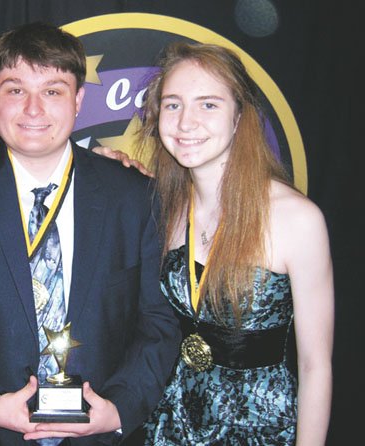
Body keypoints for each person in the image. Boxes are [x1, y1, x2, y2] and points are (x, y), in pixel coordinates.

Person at [0, 22, 181, 446]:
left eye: (52, 90)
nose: (33, 109)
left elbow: (160, 323)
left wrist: (118, 409)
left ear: (79, 100)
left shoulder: (134, 195)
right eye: (14, 89)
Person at [131, 42, 333, 444]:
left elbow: (316, 365)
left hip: (258, 429)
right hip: (171, 424)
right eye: (172, 105)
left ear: (240, 117)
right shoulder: (164, 207)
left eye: (208, 105)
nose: (186, 122)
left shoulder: (297, 220)